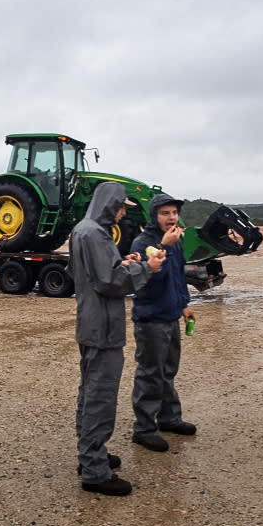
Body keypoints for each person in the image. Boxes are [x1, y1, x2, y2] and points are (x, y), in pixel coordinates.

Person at [70, 182, 164, 496]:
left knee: (90, 392)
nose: (123, 211)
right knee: (100, 396)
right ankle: (95, 471)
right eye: (122, 206)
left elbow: (92, 272)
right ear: (110, 203)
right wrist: (146, 268)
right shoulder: (95, 234)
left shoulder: (83, 230)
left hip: (91, 324)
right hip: (104, 329)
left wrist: (126, 262)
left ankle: (90, 456)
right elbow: (110, 281)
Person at [128, 193, 197, 453]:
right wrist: (163, 247)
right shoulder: (143, 242)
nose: (171, 218)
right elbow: (146, 279)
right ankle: (144, 429)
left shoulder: (176, 241)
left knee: (168, 371)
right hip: (150, 318)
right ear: (154, 216)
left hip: (170, 316)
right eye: (165, 213)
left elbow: (178, 277)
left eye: (174, 213)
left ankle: (169, 419)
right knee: (150, 374)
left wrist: (184, 305)